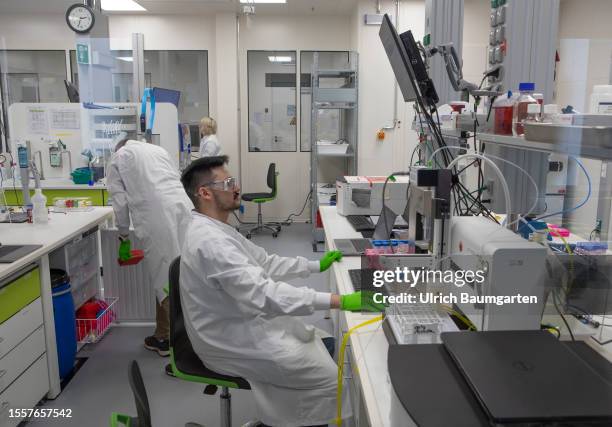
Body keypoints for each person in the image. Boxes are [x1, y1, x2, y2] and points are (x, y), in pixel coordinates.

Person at [179, 155, 385, 427]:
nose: (236, 187)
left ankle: (283, 418)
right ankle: (290, 421)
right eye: (228, 182)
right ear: (204, 193)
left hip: (240, 322)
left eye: (234, 180)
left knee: (324, 342)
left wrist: (313, 265)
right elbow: (266, 294)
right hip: (227, 341)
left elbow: (264, 261)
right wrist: (340, 300)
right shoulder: (210, 241)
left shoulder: (218, 229)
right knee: (328, 379)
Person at [107, 138, 193, 358]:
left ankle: (181, 351)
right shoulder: (158, 149)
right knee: (180, 273)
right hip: (184, 209)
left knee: (165, 279)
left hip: (157, 216)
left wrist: (124, 236)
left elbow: (119, 201)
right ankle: (163, 336)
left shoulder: (119, 157)